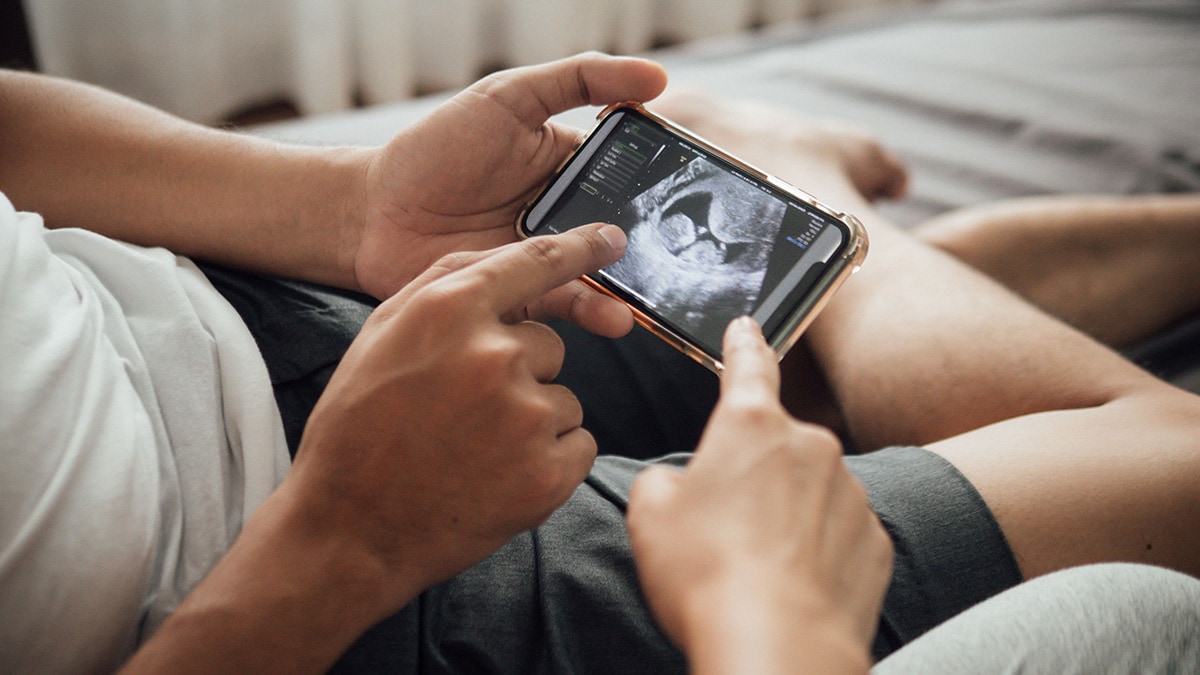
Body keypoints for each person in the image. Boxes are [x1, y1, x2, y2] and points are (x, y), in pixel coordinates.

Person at [1, 52, 1198, 674]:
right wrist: (344, 542)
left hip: (208, 303)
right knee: (1171, 467)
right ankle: (812, 202)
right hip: (303, 608)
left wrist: (345, 207)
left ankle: (851, 257)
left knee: (794, 342)